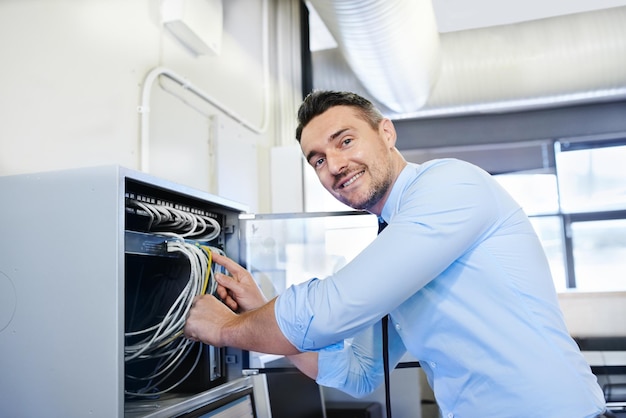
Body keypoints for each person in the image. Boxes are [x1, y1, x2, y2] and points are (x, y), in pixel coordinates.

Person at [184, 90, 609, 417]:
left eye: (345, 141)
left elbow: (332, 309)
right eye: (317, 160)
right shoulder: (397, 246)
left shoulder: (451, 185)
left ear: (386, 133)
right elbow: (357, 371)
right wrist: (261, 312)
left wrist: (228, 329)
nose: (333, 165)